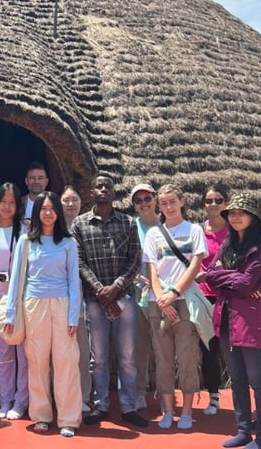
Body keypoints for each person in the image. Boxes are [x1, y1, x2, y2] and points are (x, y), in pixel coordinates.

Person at [72, 175, 149, 428]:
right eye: (98, 186)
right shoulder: (79, 224)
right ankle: (101, 405)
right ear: (91, 191)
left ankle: (128, 406)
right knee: (99, 358)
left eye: (108, 186)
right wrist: (100, 291)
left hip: (124, 299)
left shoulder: (128, 223)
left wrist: (115, 288)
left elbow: (135, 259)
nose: (103, 189)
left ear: (114, 192)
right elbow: (79, 262)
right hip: (94, 302)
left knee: (127, 356)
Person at [3, 192, 82, 437]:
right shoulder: (26, 241)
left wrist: (73, 315)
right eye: (43, 209)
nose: (48, 213)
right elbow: (16, 278)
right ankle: (41, 415)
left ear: (58, 212)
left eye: (52, 209)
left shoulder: (68, 243)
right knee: (37, 360)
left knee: (66, 360)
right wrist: (11, 313)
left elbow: (73, 280)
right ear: (36, 212)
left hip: (62, 304)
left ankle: (68, 418)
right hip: (34, 304)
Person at [205, 193, 261, 449]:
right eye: (232, 213)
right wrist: (232, 277)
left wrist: (225, 277)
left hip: (250, 321)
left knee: (258, 381)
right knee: (236, 378)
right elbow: (210, 275)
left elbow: (247, 283)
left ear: (253, 217)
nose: (235, 217)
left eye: (241, 212)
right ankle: (244, 430)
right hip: (226, 317)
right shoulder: (228, 243)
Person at [142, 183, 214, 430]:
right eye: (164, 203)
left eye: (172, 201)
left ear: (182, 201)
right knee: (163, 360)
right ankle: (168, 410)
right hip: (158, 302)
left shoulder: (194, 231)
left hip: (184, 301)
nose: (169, 207)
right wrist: (162, 299)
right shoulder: (153, 234)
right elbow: (151, 269)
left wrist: (174, 294)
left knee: (186, 358)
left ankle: (187, 411)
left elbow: (195, 266)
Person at [0, 182, 29, 420]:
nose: (7, 206)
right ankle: (5, 400)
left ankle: (21, 401)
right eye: (3, 202)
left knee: (23, 350)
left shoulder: (26, 230)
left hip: (20, 296)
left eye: (12, 202)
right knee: (3, 351)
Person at [197, 183, 230, 416]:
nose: (214, 204)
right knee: (209, 348)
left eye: (218, 200)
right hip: (203, 297)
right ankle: (213, 396)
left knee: (234, 348)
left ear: (226, 203)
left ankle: (242, 397)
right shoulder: (197, 231)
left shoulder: (234, 231)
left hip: (229, 296)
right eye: (209, 200)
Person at [59, 185, 93, 413]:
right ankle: (60, 397)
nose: (71, 204)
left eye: (75, 199)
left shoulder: (88, 226)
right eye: (66, 200)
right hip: (59, 297)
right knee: (59, 352)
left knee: (82, 350)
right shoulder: (55, 229)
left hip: (84, 298)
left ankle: (83, 396)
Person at [130, 183, 158, 410]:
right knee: (139, 345)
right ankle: (139, 391)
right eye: (138, 201)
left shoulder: (166, 226)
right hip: (139, 292)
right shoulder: (131, 227)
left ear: (155, 199)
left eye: (147, 198)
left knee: (165, 345)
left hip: (164, 293)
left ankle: (165, 392)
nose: (144, 203)